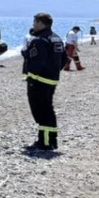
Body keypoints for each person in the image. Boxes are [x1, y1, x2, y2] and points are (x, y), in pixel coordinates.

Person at [23, 13, 69, 150]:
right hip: (52, 79)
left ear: (40, 23)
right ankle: (51, 140)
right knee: (48, 109)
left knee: (40, 111)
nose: (33, 25)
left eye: (34, 22)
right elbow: (64, 58)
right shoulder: (56, 38)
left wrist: (32, 78)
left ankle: (46, 142)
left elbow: (36, 62)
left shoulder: (39, 40)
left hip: (39, 81)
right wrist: (54, 71)